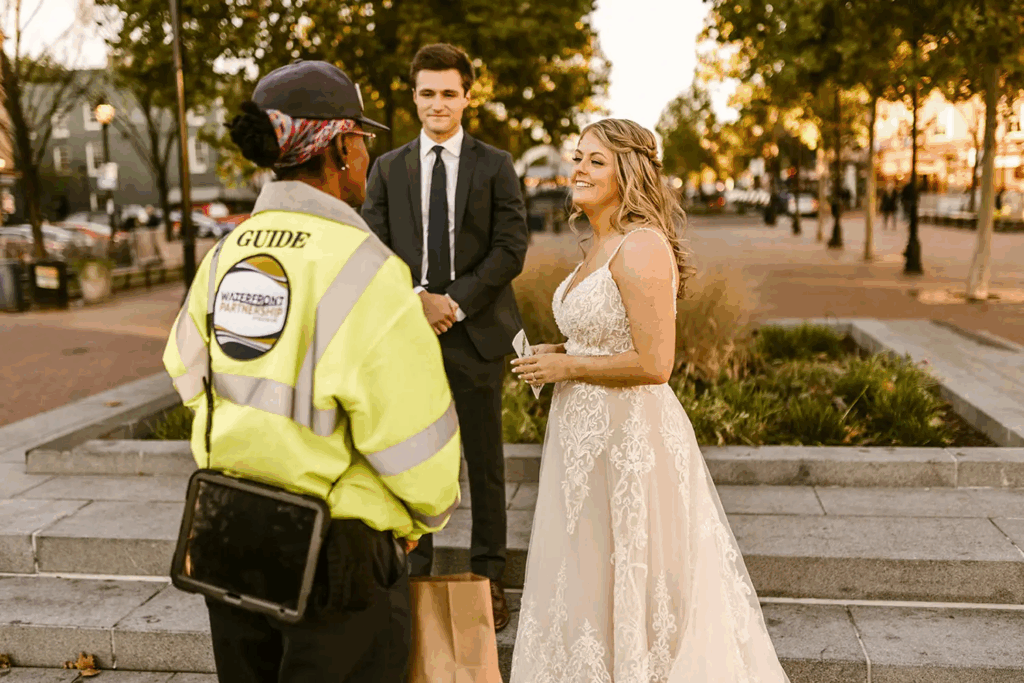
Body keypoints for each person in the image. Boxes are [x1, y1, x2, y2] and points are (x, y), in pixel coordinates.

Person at [162, 60, 462, 682]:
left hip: (230, 534)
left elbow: (186, 371)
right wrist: (424, 519)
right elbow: (414, 437)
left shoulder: (226, 253)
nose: (366, 154)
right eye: (362, 139)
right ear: (340, 147)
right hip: (338, 556)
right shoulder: (369, 269)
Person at [508, 118, 791, 682]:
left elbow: (656, 364)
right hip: (583, 440)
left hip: (629, 439)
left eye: (596, 161)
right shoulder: (598, 244)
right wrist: (559, 351)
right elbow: (607, 336)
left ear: (628, 173)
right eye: (578, 157)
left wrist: (569, 366)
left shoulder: (641, 247)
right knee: (588, 570)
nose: (579, 169)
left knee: (632, 570)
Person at [361, 43, 528, 632]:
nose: (438, 103)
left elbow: (511, 247)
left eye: (449, 93)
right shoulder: (387, 168)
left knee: (484, 463)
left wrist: (453, 303)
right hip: (409, 335)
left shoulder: (495, 165)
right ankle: (417, 575)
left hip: (475, 332)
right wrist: (418, 300)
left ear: (466, 97)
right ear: (414, 97)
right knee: (413, 457)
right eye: (427, 93)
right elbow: (374, 248)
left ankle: (489, 577)